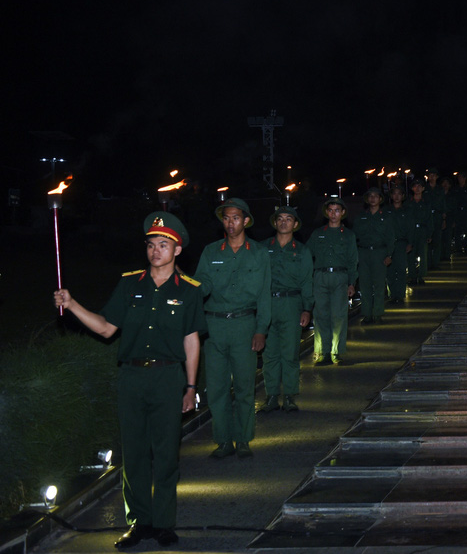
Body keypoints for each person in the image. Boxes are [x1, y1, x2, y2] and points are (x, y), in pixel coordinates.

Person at [53, 212, 203, 549]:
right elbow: (106, 328)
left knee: (166, 454)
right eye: (151, 245)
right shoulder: (129, 283)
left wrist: (190, 388)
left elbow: (191, 340)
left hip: (167, 377)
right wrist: (73, 304)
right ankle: (138, 523)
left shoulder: (190, 290)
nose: (155, 251)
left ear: (177, 250)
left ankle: (164, 523)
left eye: (163, 245)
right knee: (133, 455)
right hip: (132, 377)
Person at [194, 198, 271, 459]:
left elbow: (264, 296)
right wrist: (183, 281)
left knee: (244, 386)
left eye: (235, 218)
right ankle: (223, 440)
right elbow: (202, 286)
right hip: (214, 325)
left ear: (246, 220)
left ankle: (244, 439)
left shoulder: (259, 253)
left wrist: (261, 329)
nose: (230, 223)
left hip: (244, 325)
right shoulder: (211, 252)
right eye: (226, 218)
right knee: (216, 388)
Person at [258, 206, 313, 413]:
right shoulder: (262, 248)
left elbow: (307, 281)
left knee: (289, 353)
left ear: (295, 224)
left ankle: (289, 396)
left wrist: (307, 308)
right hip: (268, 304)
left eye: (288, 219)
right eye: (279, 219)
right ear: (274, 222)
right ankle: (272, 395)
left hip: (292, 304)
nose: (283, 222)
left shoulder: (302, 250)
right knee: (269, 354)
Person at [307, 196, 357, 365]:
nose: (334, 214)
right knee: (320, 315)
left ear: (343, 213)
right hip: (320, 276)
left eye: (337, 210)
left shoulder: (348, 235)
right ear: (326, 212)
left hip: (339, 277)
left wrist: (352, 282)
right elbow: (307, 256)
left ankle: (336, 352)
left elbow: (352, 260)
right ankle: (322, 352)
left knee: (339, 316)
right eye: (330, 210)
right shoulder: (318, 233)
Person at [353, 187, 395, 324]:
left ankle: (377, 313)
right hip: (363, 253)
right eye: (370, 196)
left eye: (375, 196)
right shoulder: (361, 217)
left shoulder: (386, 217)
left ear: (380, 199)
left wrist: (389, 255)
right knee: (364, 285)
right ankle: (367, 314)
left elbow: (390, 237)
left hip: (379, 252)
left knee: (378, 284)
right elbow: (355, 237)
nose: (373, 198)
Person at [384, 184, 413, 301]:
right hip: (388, 244)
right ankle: (393, 294)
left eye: (399, 194)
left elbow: (411, 228)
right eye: (394, 194)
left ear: (402, 196)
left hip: (401, 243)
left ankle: (400, 295)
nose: (396, 196)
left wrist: (410, 243)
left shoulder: (407, 211)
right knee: (389, 270)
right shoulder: (386, 211)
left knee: (401, 269)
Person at [405, 179, 432, 284]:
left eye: (420, 186)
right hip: (411, 230)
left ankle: (421, 276)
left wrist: (429, 233)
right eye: (415, 186)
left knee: (423, 254)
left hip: (422, 230)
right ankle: (412, 276)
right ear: (412, 188)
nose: (417, 188)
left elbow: (430, 219)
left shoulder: (426, 203)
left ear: (423, 188)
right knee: (410, 255)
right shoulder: (407, 203)